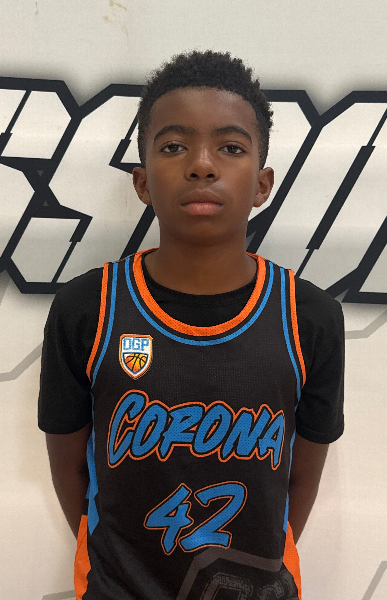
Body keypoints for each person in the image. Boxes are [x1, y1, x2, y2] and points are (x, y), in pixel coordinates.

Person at [39, 50, 344, 600]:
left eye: (231, 147)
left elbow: (299, 481)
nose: (202, 165)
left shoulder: (310, 317)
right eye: (174, 146)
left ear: (262, 184)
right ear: (142, 182)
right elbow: (70, 471)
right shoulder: (87, 308)